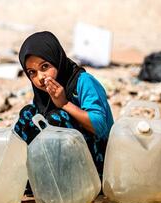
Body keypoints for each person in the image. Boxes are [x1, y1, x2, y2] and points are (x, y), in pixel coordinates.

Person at [14, 31, 114, 193]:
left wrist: (64, 103)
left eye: (44, 67)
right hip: (60, 159)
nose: (40, 77)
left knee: (57, 118)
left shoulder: (83, 82)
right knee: (29, 115)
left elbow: (100, 126)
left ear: (57, 60)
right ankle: (32, 177)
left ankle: (63, 180)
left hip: (97, 162)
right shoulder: (43, 91)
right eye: (32, 72)